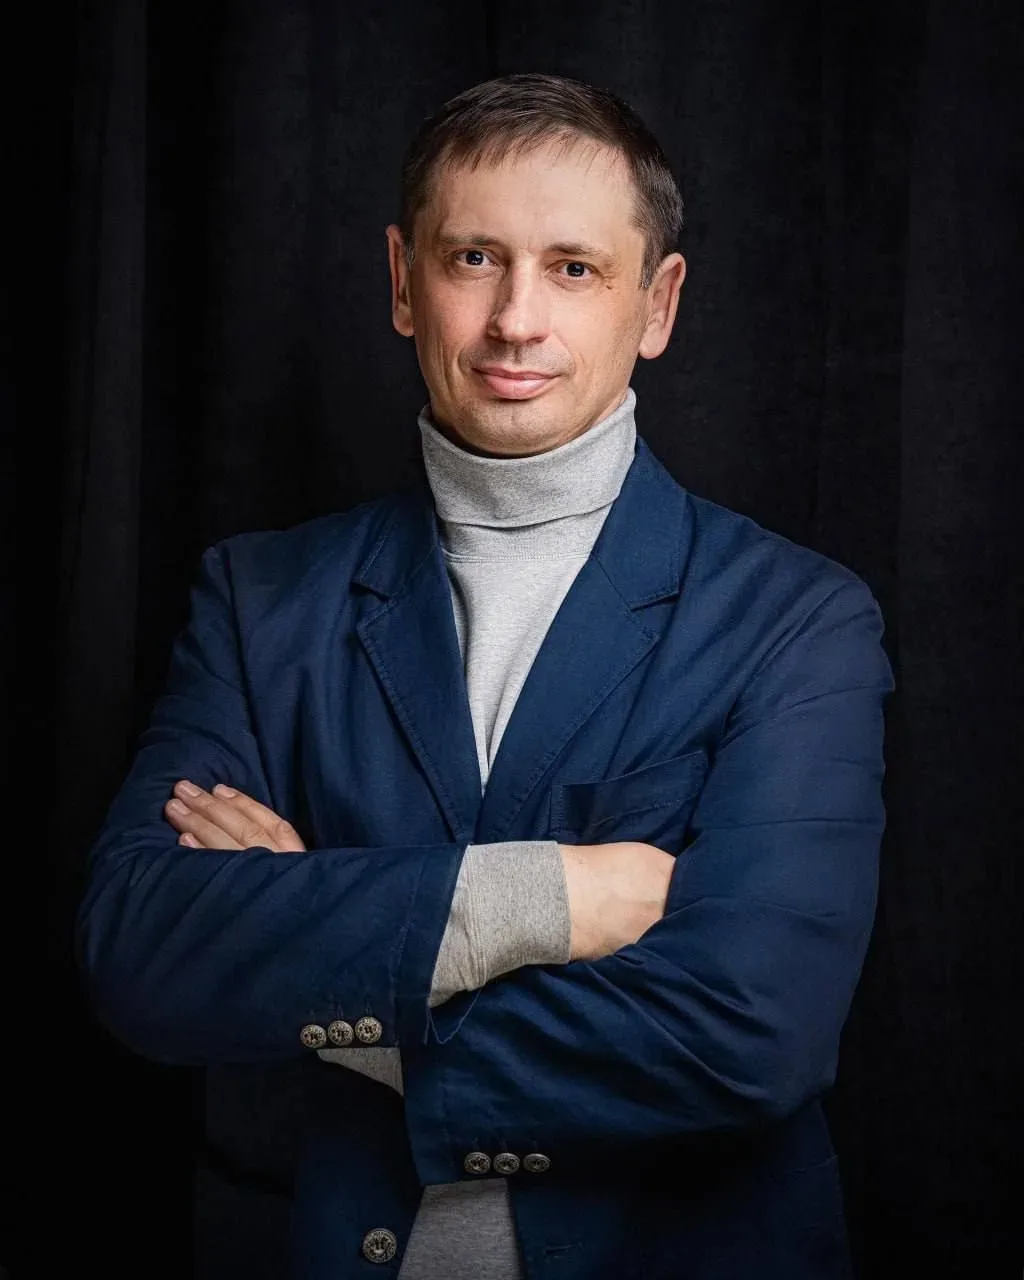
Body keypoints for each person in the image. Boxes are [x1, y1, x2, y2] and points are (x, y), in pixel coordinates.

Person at [76, 72, 894, 1279]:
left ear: (656, 302)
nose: (516, 319)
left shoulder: (795, 618)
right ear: (402, 281)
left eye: (573, 268)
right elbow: (142, 950)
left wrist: (322, 951)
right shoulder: (260, 598)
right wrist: (548, 896)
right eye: (473, 259)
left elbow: (750, 1029)